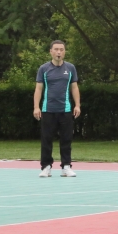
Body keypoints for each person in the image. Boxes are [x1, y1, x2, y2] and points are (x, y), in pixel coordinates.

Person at [34, 40, 81, 178]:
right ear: (51, 51)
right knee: (46, 139)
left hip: (65, 110)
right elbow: (38, 89)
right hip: (48, 110)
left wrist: (77, 105)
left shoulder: (70, 68)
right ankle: (46, 167)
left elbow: (74, 87)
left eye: (61, 49)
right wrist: (36, 107)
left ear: (64, 52)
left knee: (66, 139)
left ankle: (66, 167)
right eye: (56, 49)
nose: (59, 52)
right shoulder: (43, 69)